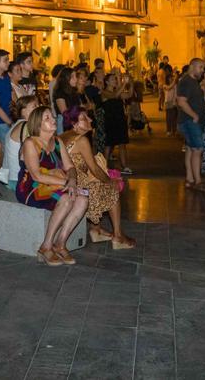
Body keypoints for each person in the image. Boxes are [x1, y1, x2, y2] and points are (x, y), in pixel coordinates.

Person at [60, 106, 134, 250]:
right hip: (80, 185)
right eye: (84, 119)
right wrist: (110, 181)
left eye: (88, 117)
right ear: (74, 124)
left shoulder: (62, 136)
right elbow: (94, 168)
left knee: (103, 182)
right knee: (112, 189)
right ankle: (118, 236)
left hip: (70, 181)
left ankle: (96, 230)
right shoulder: (80, 140)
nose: (90, 120)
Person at [17, 107, 77, 265]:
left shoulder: (57, 142)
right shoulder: (31, 143)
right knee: (66, 198)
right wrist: (66, 183)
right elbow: (36, 175)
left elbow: (70, 167)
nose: (53, 120)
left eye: (52, 116)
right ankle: (46, 246)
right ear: (38, 124)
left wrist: (72, 181)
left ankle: (60, 244)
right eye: (47, 118)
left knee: (83, 198)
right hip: (32, 188)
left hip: (53, 183)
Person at [0, 94, 40, 190]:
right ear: (23, 111)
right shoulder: (26, 126)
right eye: (34, 106)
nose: (38, 108)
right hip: (18, 180)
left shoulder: (17, 124)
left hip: (10, 178)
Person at [176, 59, 205, 190]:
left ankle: (190, 179)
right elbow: (181, 101)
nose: (202, 70)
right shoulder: (187, 82)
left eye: (203, 68)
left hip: (191, 121)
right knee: (197, 149)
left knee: (190, 149)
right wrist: (194, 115)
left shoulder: (193, 82)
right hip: (190, 121)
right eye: (200, 67)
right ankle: (198, 181)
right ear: (191, 67)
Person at [100, 72, 132, 175]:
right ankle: (103, 167)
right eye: (113, 79)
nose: (115, 81)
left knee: (122, 144)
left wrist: (130, 83)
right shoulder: (104, 92)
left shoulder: (118, 91)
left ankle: (124, 166)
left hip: (120, 120)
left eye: (115, 79)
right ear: (107, 82)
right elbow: (114, 95)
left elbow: (129, 94)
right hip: (110, 121)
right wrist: (123, 84)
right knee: (109, 144)